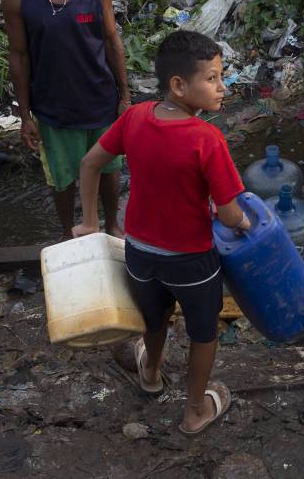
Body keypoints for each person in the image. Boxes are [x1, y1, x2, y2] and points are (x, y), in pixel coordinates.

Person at [72, 30, 246, 435]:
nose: (223, 88)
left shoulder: (135, 116)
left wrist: (91, 224)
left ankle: (150, 373)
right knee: (204, 333)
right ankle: (193, 411)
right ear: (179, 85)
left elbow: (89, 163)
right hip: (192, 260)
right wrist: (246, 222)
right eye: (213, 79)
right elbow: (229, 213)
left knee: (155, 317)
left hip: (140, 253)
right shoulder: (208, 139)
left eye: (223, 77)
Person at [2, 0, 130, 240]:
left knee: (109, 168)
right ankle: (67, 234)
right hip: (52, 105)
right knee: (61, 176)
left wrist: (125, 97)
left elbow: (112, 41)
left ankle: (112, 225)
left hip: (100, 96)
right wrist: (25, 114)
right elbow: (19, 56)